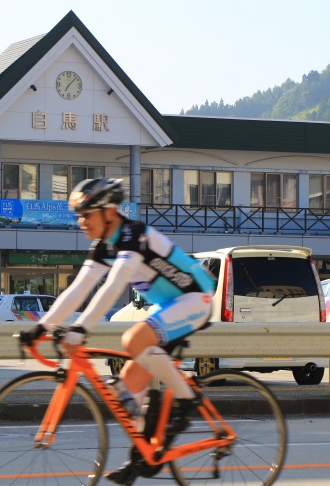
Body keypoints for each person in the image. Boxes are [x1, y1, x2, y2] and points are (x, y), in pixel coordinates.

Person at [22, 178, 216, 485]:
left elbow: (112, 287)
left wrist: (81, 328)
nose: (81, 221)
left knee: (133, 339)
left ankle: (187, 399)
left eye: (86, 214)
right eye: (78, 215)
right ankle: (143, 456)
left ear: (109, 212)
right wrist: (41, 327)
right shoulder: (103, 245)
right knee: (126, 388)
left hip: (194, 299)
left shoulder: (133, 236)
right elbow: (79, 288)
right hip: (167, 305)